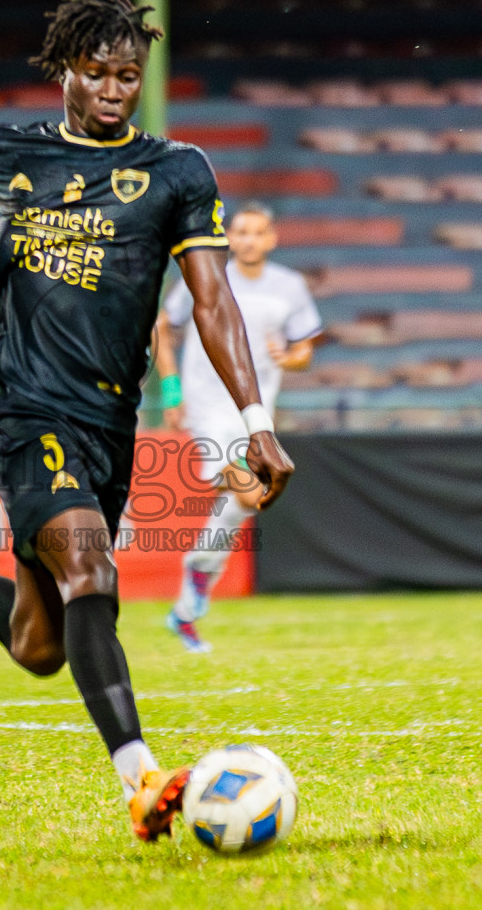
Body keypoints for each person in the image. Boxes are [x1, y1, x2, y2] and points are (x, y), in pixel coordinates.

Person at [0, 0, 295, 842]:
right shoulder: (12, 151)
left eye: (128, 75)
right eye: (97, 72)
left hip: (108, 424)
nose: (113, 90)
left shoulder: (177, 174)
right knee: (92, 569)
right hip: (23, 408)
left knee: (40, 647)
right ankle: (141, 780)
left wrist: (256, 422)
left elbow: (212, 302)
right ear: (65, 70)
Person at [154, 202, 320, 652]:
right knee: (248, 493)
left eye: (257, 233)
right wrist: (171, 391)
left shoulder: (289, 286)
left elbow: (305, 347)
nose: (247, 240)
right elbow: (163, 328)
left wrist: (291, 357)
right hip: (207, 406)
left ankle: (191, 596)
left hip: (255, 412)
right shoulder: (206, 275)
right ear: (229, 236)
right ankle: (194, 590)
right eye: (240, 232)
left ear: (271, 239)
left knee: (243, 502)